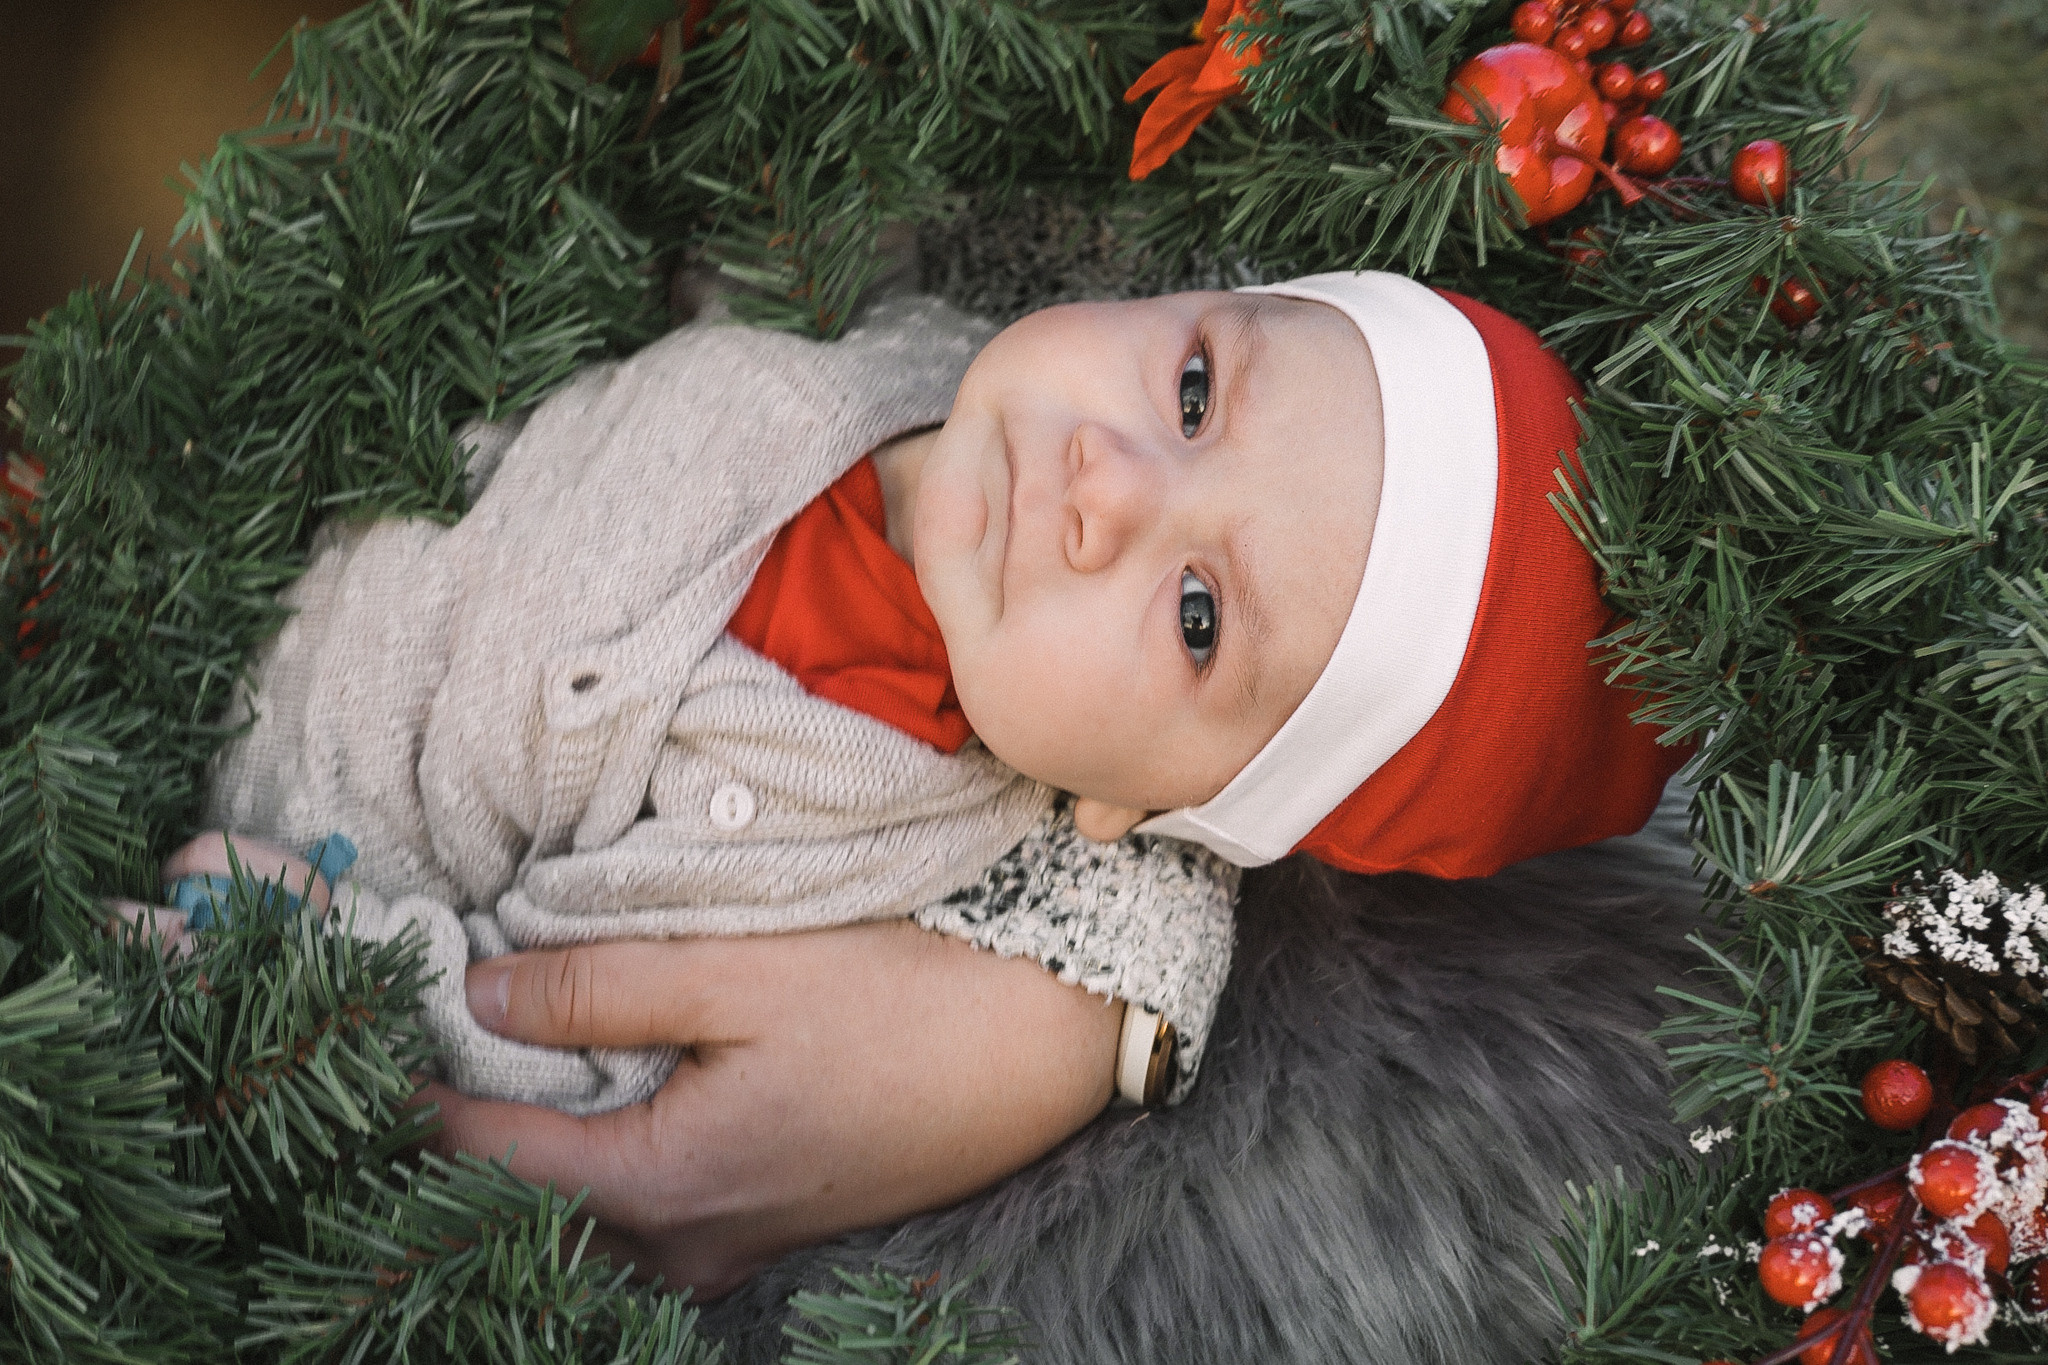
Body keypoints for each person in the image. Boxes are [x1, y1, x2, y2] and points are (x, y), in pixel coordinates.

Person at [134, 270, 1687, 1294]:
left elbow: (549, 1068)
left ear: (1137, 817)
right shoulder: (903, 347)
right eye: (1200, 389)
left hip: (218, 877)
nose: (1112, 484)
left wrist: (315, 956)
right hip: (195, 518)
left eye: (1199, 617)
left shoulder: (826, 840)